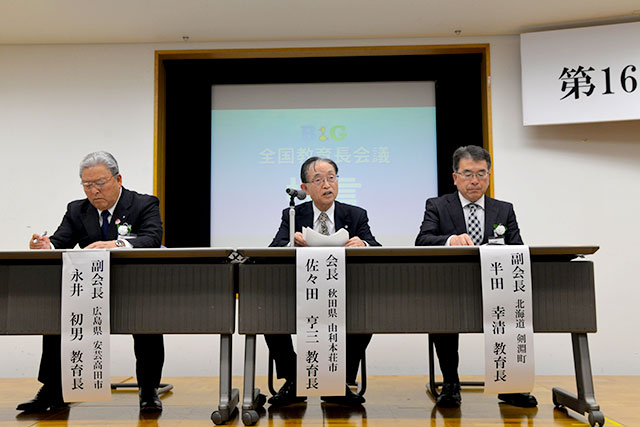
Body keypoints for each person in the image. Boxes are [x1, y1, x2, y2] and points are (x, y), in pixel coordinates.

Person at [18, 151, 165, 413]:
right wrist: (45, 245)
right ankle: (52, 389)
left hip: (135, 287)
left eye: (100, 183)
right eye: (87, 185)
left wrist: (117, 244)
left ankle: (149, 390)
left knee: (147, 322)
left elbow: (152, 238)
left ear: (118, 179)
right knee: (59, 316)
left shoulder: (143, 204)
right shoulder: (77, 209)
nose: (93, 191)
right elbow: (60, 241)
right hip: (91, 288)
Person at [415, 145, 537, 409]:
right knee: (442, 316)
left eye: (481, 174)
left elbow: (517, 247)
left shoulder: (503, 209)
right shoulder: (437, 206)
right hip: (450, 286)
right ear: (455, 177)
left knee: (513, 314)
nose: (475, 181)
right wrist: (450, 240)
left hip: (497, 285)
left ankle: (511, 386)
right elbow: (422, 239)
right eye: (468, 174)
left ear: (489, 176)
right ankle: (450, 384)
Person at [267, 157, 380, 406]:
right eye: (318, 180)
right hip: (301, 291)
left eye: (331, 178)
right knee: (268, 314)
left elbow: (375, 245)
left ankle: (338, 382)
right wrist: (290, 243)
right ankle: (295, 380)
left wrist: (363, 243)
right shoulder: (293, 214)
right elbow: (274, 248)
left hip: (342, 292)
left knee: (367, 314)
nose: (327, 184)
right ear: (305, 188)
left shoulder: (356, 214)